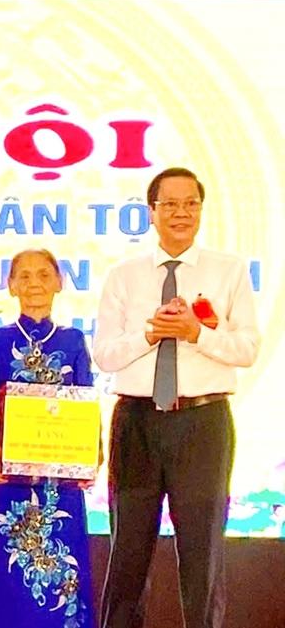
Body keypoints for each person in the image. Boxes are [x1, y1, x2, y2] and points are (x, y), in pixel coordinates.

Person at [93, 167, 258, 628]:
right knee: (128, 553)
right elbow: (104, 354)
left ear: (201, 210)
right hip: (137, 421)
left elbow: (247, 349)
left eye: (191, 204)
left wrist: (195, 333)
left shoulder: (229, 270)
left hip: (203, 421)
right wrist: (150, 333)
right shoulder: (123, 276)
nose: (181, 213)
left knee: (203, 554)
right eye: (170, 204)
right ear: (152, 212)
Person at [0, 249, 97, 628]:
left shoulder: (74, 341)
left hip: (60, 486)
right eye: (24, 276)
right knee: (7, 579)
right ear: (11, 286)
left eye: (44, 275)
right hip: (7, 483)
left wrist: (89, 456)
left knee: (65, 574)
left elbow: (86, 402)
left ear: (59, 283)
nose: (34, 284)